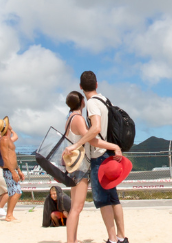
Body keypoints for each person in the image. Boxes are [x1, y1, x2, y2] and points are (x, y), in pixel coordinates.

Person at [62, 90, 115, 243]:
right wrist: (113, 146)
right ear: (82, 103)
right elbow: (91, 139)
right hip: (80, 165)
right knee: (77, 207)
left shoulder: (69, 118)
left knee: (75, 206)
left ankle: (73, 238)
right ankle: (70, 241)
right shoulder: (78, 119)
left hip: (73, 165)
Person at [82, 70, 127, 242]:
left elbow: (96, 129)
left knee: (103, 201)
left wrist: (78, 144)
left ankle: (112, 239)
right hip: (110, 156)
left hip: (100, 156)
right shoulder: (106, 100)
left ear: (81, 87)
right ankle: (122, 237)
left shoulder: (92, 103)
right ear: (96, 84)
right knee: (113, 198)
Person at [0, 117, 25, 222]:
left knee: (15, 192)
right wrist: (13, 172)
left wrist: (18, 170)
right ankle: (9, 214)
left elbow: (12, 156)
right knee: (16, 192)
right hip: (8, 170)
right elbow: (5, 157)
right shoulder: (4, 140)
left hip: (11, 169)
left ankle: (9, 214)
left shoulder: (7, 139)